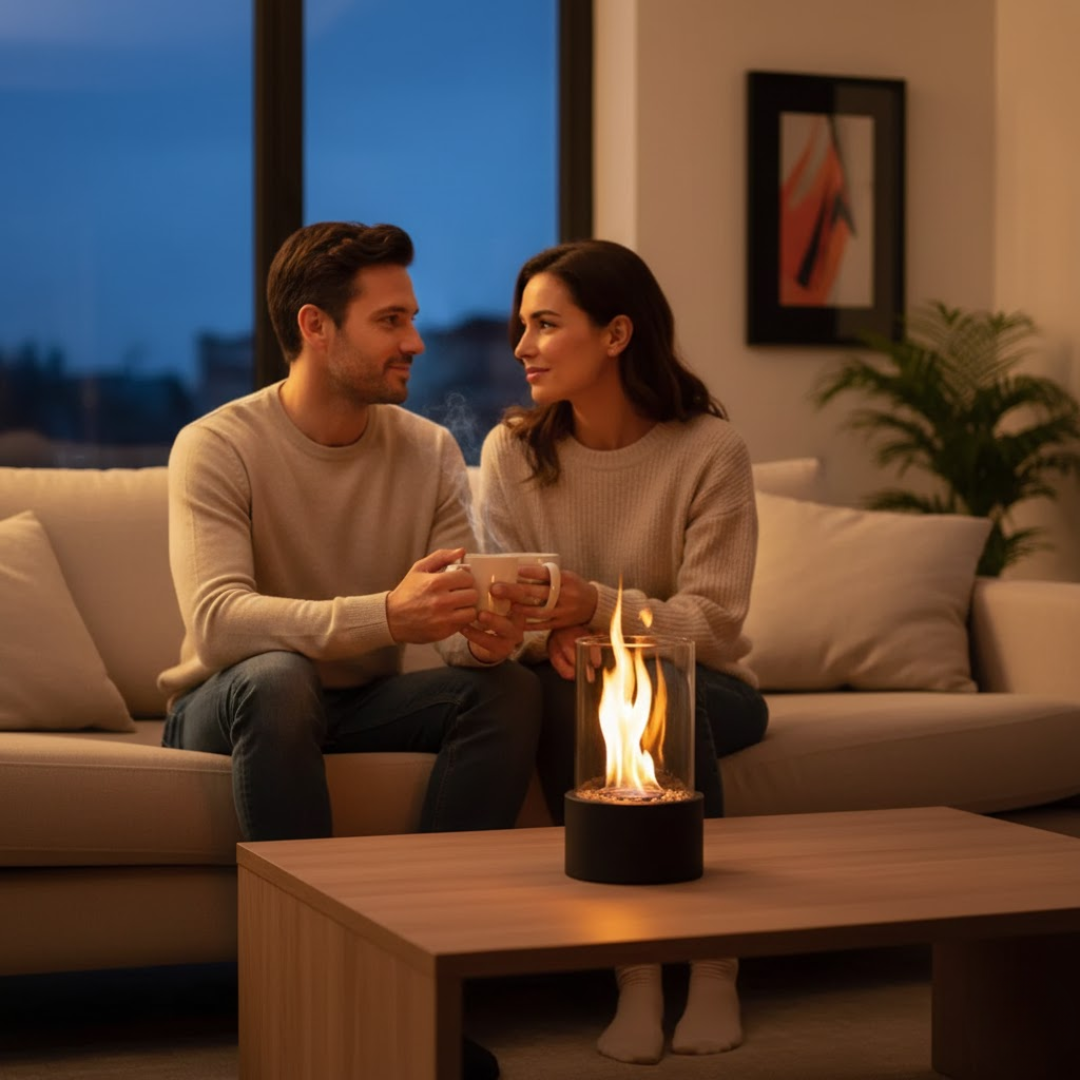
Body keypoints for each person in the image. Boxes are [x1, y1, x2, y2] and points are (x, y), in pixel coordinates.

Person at [158, 221, 540, 1080]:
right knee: (281, 677)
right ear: (315, 327)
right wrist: (384, 616)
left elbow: (439, 621)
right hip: (227, 705)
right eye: (390, 320)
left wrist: (481, 639)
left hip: (359, 703)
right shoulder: (217, 444)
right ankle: (312, 988)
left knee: (507, 692)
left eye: (412, 318)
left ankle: (423, 985)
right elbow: (219, 621)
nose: (415, 340)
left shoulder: (429, 448)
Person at [478, 238, 769, 1065]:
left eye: (544, 324)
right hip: (573, 686)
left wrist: (597, 611)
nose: (521, 347)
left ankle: (714, 964)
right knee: (585, 691)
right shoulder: (514, 454)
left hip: (713, 687)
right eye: (520, 326)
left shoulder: (711, 451)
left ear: (615, 335)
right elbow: (516, 607)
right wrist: (560, 630)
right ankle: (637, 975)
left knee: (655, 683)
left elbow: (713, 624)